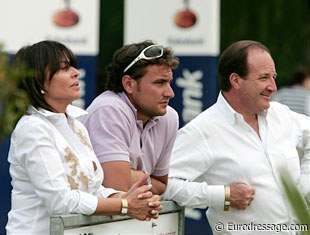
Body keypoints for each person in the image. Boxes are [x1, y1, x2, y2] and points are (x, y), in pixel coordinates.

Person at [6, 40, 162, 235]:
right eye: (63, 68)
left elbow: (93, 189)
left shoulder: (77, 124)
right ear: (39, 82)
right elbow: (60, 202)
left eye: (72, 65)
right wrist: (124, 205)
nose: (75, 72)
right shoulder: (33, 129)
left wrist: (126, 197)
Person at [163, 40, 310, 234]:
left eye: (273, 76)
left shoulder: (281, 114)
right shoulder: (203, 130)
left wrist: (303, 188)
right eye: (264, 77)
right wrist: (223, 195)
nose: (273, 87)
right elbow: (164, 185)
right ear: (236, 80)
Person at [81, 40, 180, 195]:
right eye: (160, 83)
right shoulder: (108, 110)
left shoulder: (169, 116)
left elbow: (161, 186)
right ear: (128, 84)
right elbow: (119, 189)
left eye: (169, 82)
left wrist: (133, 175)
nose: (170, 93)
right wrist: (145, 179)